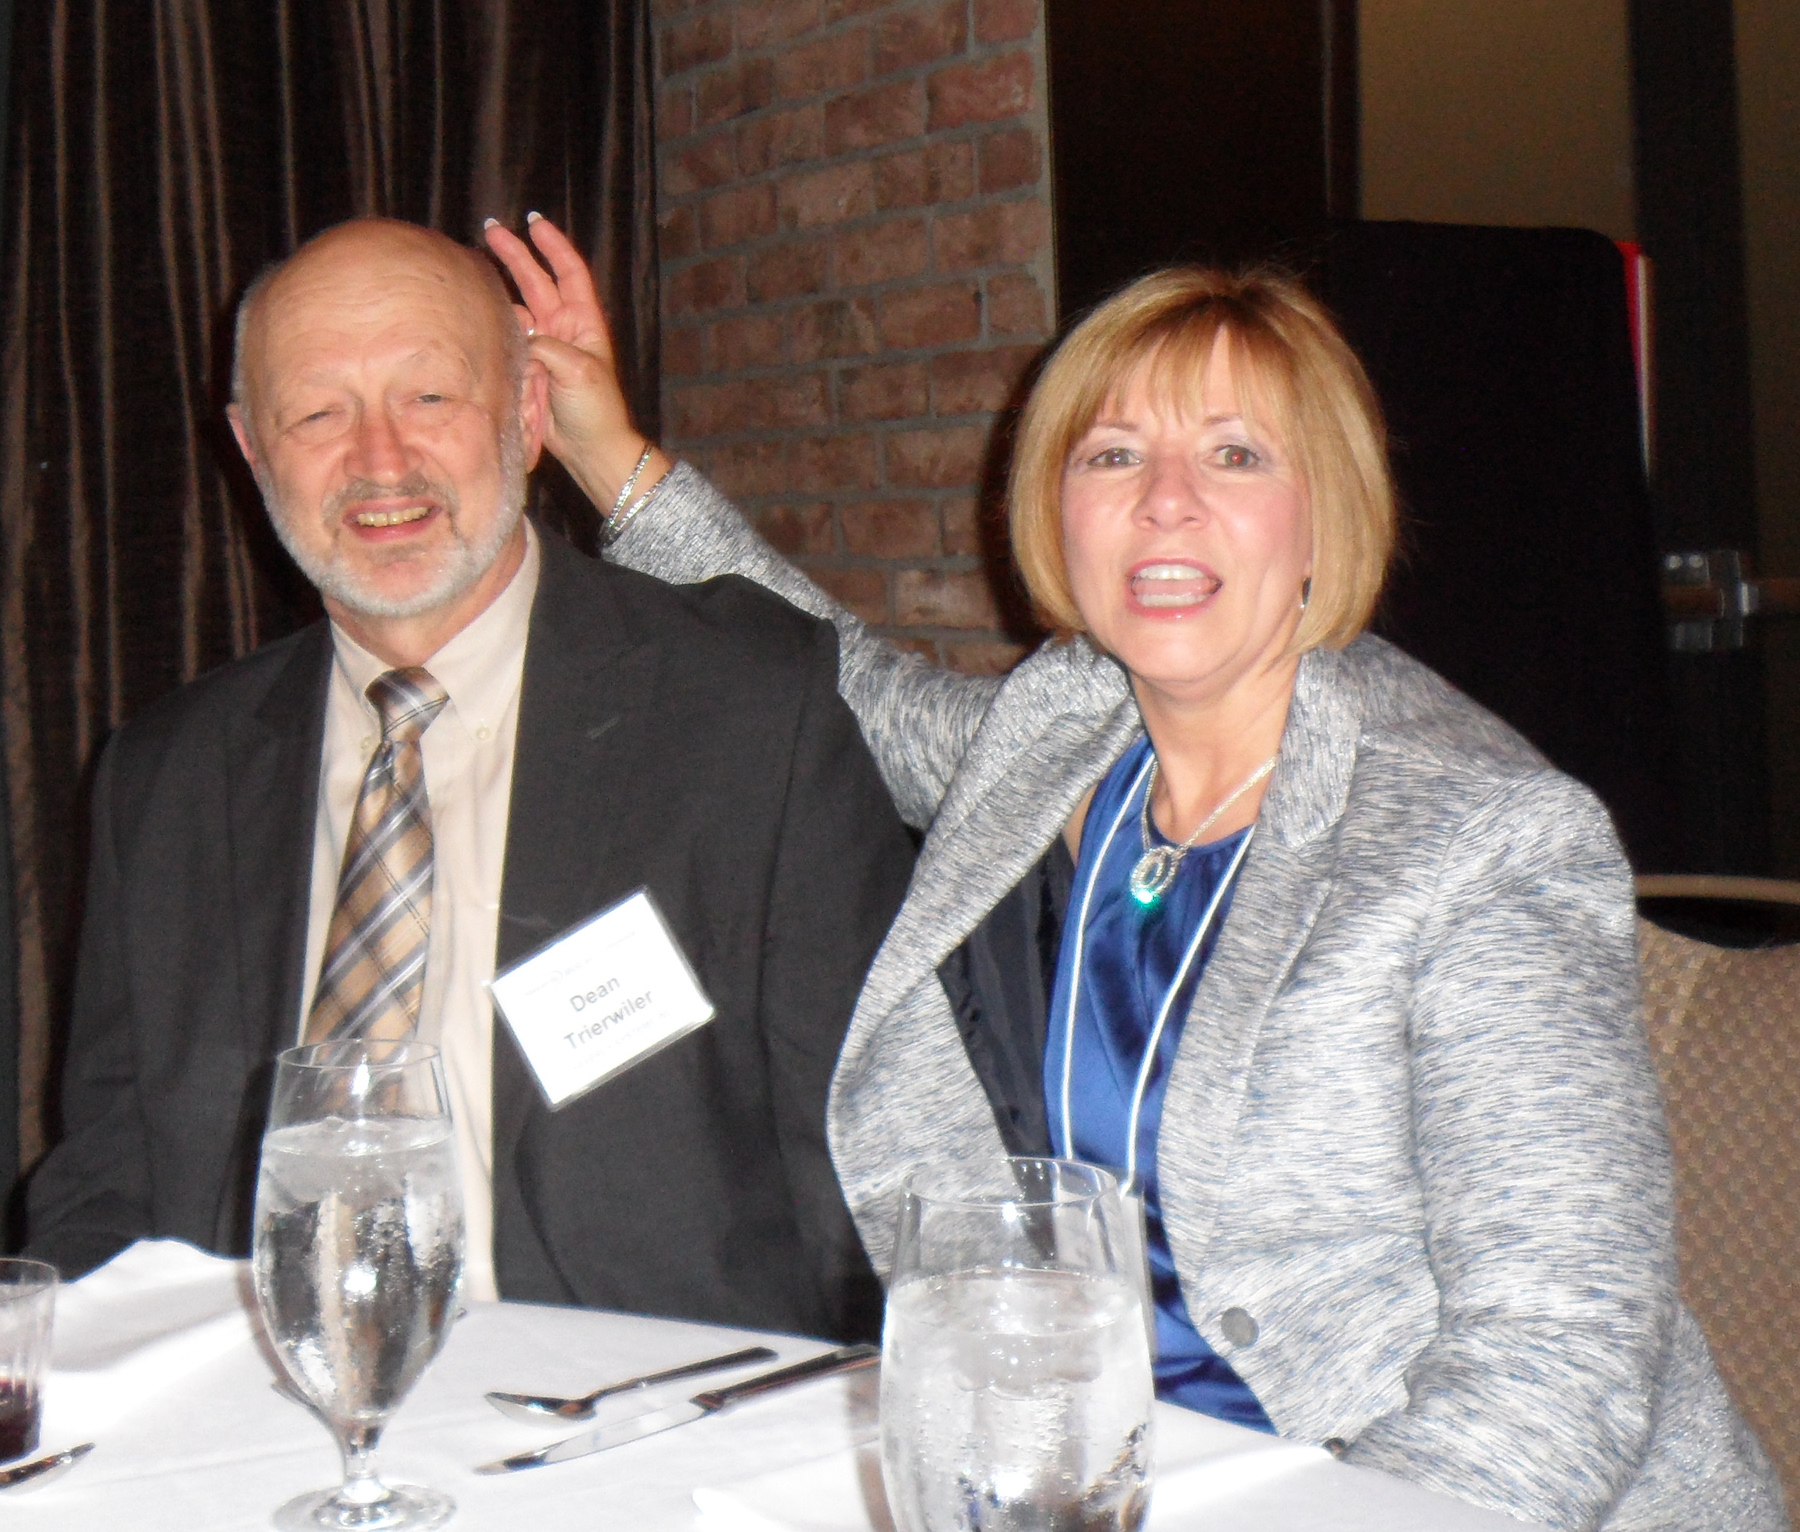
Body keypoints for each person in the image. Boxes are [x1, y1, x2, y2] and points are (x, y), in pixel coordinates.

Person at [485, 215, 1786, 1530]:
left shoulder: (1479, 839)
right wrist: (608, 453)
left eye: (1235, 454)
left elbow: (1562, 1358)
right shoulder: (1066, 730)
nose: (1166, 499)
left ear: (1325, 516)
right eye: (1113, 454)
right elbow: (844, 684)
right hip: (1124, 1474)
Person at [25, 218, 916, 1344]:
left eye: (431, 396)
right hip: (258, 1409)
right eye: (317, 413)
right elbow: (106, 1188)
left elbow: (873, 1178)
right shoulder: (163, 779)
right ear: (251, 450)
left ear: (529, 414)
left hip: (635, 1413)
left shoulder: (748, 717)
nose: (380, 459)